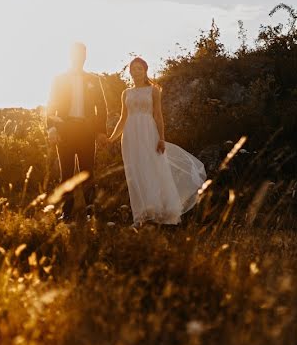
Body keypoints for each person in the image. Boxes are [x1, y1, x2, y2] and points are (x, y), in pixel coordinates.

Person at [106, 57, 206, 226]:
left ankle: (159, 211)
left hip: (148, 133)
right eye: (133, 68)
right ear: (129, 71)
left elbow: (158, 116)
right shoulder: (126, 93)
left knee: (154, 168)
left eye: (139, 68)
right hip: (130, 136)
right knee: (135, 173)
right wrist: (111, 139)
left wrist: (161, 138)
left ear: (145, 70)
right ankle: (141, 215)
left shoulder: (153, 90)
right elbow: (123, 119)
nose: (136, 71)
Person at [45, 42, 108, 221]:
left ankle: (90, 212)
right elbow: (51, 105)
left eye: (81, 53)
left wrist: (101, 131)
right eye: (75, 53)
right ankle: (67, 212)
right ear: (70, 56)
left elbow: (101, 108)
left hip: (87, 131)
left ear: (85, 56)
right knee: (66, 173)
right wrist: (51, 127)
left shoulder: (94, 80)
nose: (78, 56)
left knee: (87, 172)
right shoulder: (59, 79)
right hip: (65, 130)